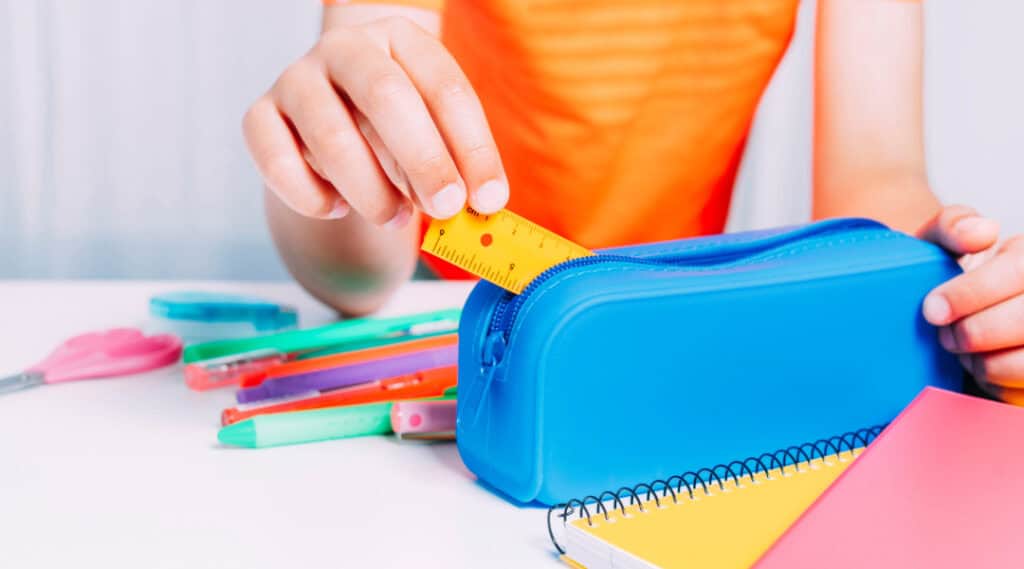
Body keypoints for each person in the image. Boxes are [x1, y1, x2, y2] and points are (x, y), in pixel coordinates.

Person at [242, 0, 1024, 399]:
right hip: (447, 343)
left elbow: (872, 185)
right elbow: (359, 273)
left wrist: (942, 274)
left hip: (672, 343)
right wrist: (328, 167)